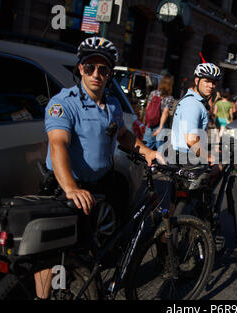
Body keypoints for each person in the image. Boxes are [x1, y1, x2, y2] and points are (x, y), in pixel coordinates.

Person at [37, 36, 160, 299]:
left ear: (110, 74)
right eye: (90, 67)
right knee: (52, 253)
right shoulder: (64, 103)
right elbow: (58, 145)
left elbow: (123, 136)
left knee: (85, 250)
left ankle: (86, 288)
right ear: (80, 69)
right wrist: (70, 188)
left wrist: (148, 152)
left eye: (103, 69)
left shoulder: (112, 106)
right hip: (66, 188)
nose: (96, 74)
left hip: (97, 188)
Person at [168, 62, 222, 165]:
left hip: (182, 156)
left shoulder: (194, 101)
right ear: (197, 81)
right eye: (207, 81)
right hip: (187, 159)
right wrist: (208, 157)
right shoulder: (193, 104)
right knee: (218, 167)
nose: (211, 86)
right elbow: (191, 140)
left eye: (214, 82)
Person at [143, 73, 175, 149]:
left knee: (146, 147)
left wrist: (145, 121)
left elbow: (147, 108)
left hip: (150, 124)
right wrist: (160, 128)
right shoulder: (169, 98)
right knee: (160, 150)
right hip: (161, 125)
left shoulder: (153, 93)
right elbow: (165, 112)